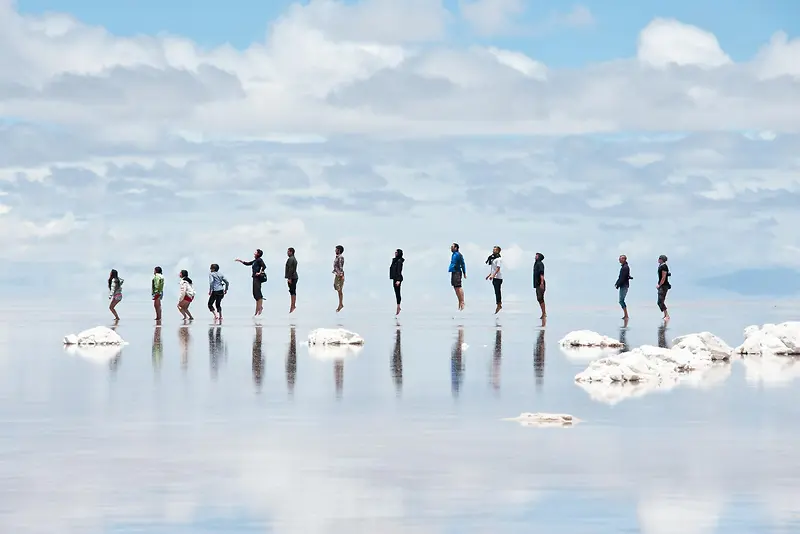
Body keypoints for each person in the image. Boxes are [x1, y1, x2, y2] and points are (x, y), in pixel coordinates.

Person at [236, 249, 267, 316]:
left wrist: (259, 272)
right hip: (254, 278)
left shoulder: (259, 260)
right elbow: (248, 263)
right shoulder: (255, 261)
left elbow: (264, 266)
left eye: (255, 252)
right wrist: (241, 261)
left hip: (258, 278)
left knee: (258, 294)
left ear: (258, 254)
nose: (254, 253)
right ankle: (257, 310)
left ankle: (259, 309)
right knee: (255, 294)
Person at [449, 243, 467, 310]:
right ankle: (459, 301)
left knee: (458, 286)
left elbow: (463, 264)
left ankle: (462, 301)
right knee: (455, 287)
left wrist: (464, 272)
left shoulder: (458, 255)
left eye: (452, 247)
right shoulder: (453, 254)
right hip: (453, 272)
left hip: (457, 272)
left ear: (456, 248)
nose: (451, 248)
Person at [485, 246, 503, 314]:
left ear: (498, 251)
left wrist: (493, 275)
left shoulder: (499, 259)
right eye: (493, 249)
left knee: (498, 291)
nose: (493, 251)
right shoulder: (493, 259)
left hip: (498, 277)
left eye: (495, 250)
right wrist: (489, 275)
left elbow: (498, 269)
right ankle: (498, 304)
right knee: (496, 291)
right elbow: (493, 269)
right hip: (494, 277)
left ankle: (499, 304)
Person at [615, 254, 632, 321]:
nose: (619, 260)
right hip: (624, 285)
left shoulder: (625, 267)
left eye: (621, 258)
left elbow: (623, 278)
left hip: (624, 285)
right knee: (621, 301)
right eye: (619, 258)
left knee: (621, 301)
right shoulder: (624, 267)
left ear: (624, 259)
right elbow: (624, 276)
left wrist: (617, 284)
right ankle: (626, 315)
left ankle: (626, 315)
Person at [389, 249, 404, 315]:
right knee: (396, 293)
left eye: (396, 252)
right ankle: (398, 306)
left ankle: (398, 307)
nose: (395, 253)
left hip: (397, 279)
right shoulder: (395, 260)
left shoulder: (399, 261)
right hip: (394, 278)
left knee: (398, 293)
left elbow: (399, 270)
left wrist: (398, 280)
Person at [657, 254, 671, 322]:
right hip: (662, 285)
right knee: (660, 301)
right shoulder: (661, 266)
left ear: (661, 259)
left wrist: (659, 285)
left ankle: (667, 315)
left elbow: (663, 277)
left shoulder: (664, 266)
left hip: (664, 286)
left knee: (660, 301)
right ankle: (665, 315)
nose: (658, 259)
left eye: (659, 258)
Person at [285, 247, 298, 313]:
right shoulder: (294, 259)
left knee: (292, 291)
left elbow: (291, 269)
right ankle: (293, 305)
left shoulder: (291, 259)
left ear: (291, 252)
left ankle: (293, 305)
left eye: (288, 251)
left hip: (292, 277)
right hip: (294, 277)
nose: (287, 253)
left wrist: (289, 278)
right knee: (292, 291)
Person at [533, 252, 546, 319]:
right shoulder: (536, 264)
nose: (535, 256)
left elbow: (541, 274)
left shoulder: (540, 264)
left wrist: (541, 283)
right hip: (537, 283)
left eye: (537, 255)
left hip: (540, 283)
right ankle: (543, 313)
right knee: (539, 298)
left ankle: (544, 313)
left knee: (540, 298)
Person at [333, 245, 345, 312]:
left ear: (339, 250)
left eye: (336, 249)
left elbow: (341, 266)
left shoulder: (340, 257)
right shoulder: (337, 257)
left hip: (339, 275)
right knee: (337, 288)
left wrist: (341, 275)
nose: (335, 251)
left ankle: (340, 304)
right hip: (337, 274)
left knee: (339, 289)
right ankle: (340, 304)